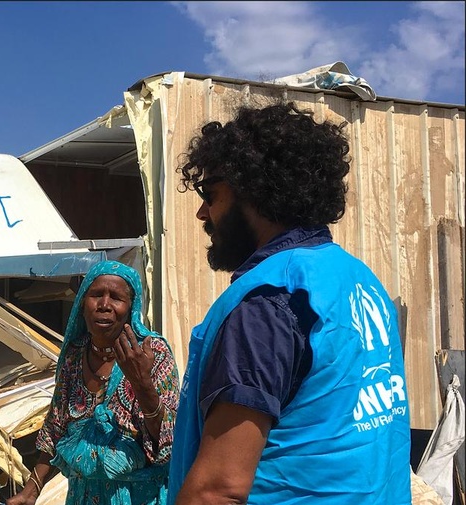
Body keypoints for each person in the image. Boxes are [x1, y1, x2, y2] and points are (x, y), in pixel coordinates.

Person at [167, 103, 411, 504]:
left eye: (209, 194)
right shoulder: (358, 279)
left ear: (253, 189)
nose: (202, 212)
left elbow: (217, 490)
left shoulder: (268, 303)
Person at [7, 260, 179, 505]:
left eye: (116, 298)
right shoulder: (75, 355)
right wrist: (31, 491)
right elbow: (56, 426)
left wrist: (141, 383)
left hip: (140, 496)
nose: (105, 305)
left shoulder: (152, 353)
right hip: (83, 495)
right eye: (96, 295)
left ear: (131, 307)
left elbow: (168, 438)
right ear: (82, 303)